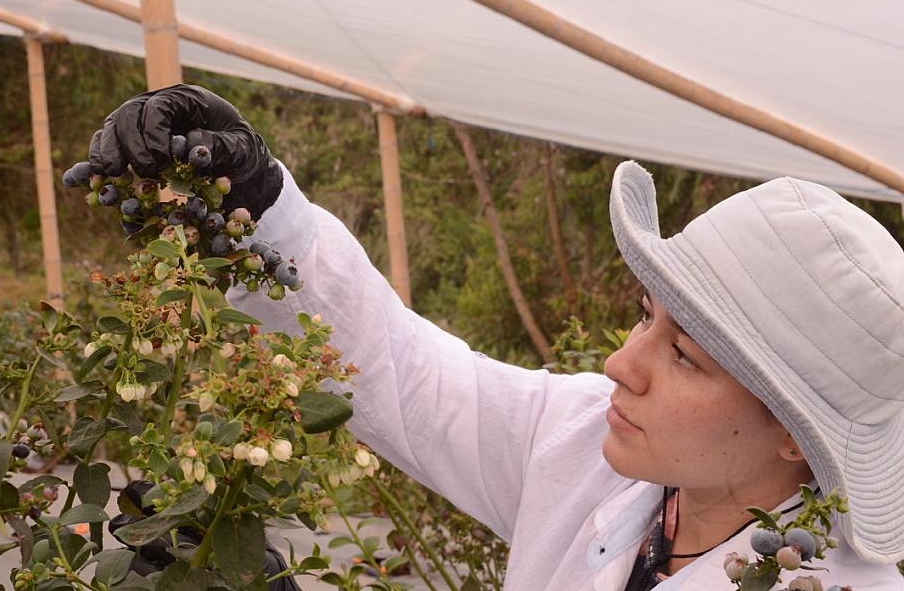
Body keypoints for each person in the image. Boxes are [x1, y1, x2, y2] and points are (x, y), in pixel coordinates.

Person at [89, 84, 904, 590]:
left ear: (796, 437)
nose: (623, 364)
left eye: (683, 356)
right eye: (646, 318)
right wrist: (263, 210)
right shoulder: (591, 442)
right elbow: (408, 376)